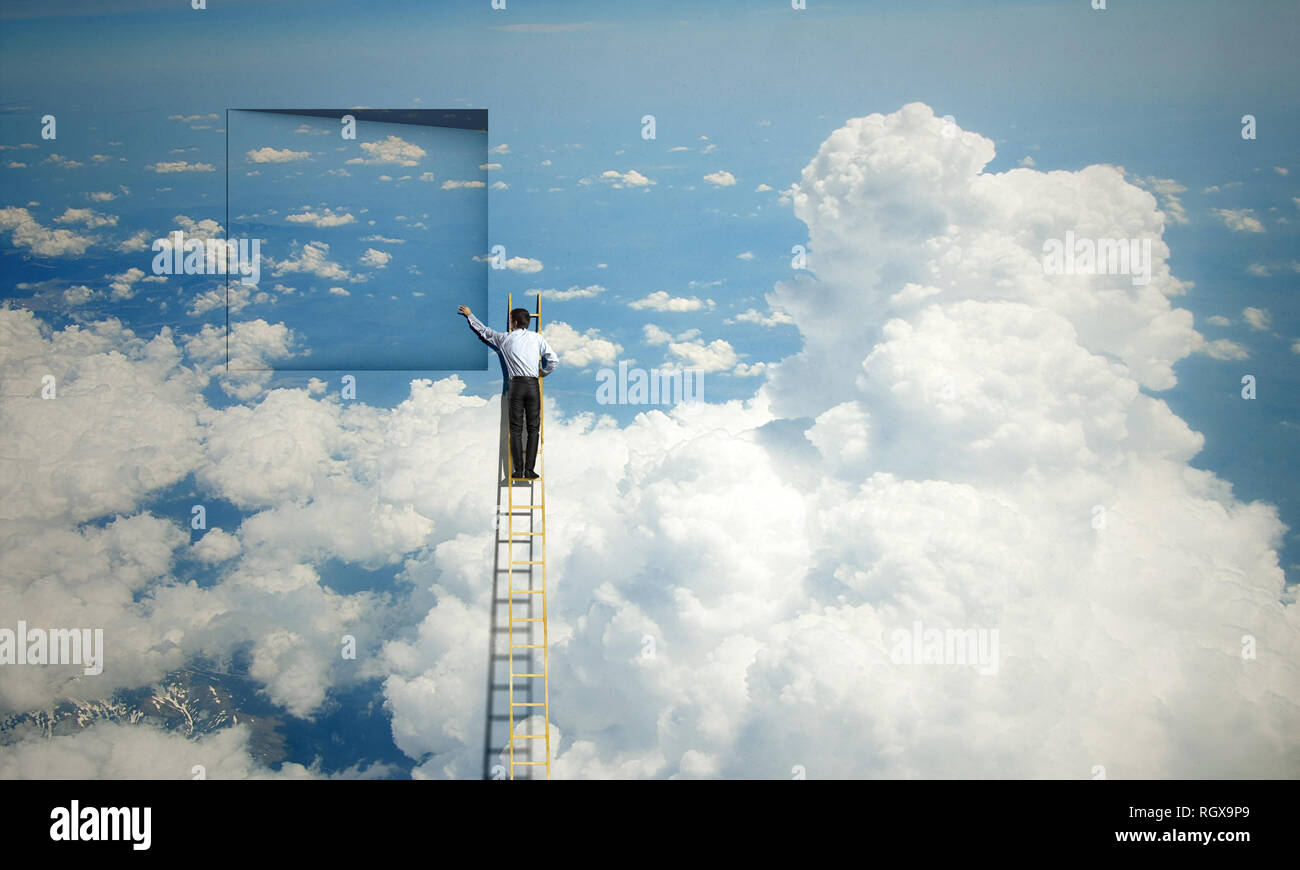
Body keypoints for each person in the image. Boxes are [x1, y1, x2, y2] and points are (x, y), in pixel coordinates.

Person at [458, 304, 558, 480]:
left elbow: (484, 331)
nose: (509, 323)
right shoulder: (538, 338)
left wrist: (470, 315)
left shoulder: (505, 338)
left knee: (516, 429)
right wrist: (544, 372)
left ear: (515, 322)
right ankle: (530, 470)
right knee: (534, 429)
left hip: (517, 386)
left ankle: (518, 470)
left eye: (510, 320)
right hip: (533, 385)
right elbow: (554, 360)